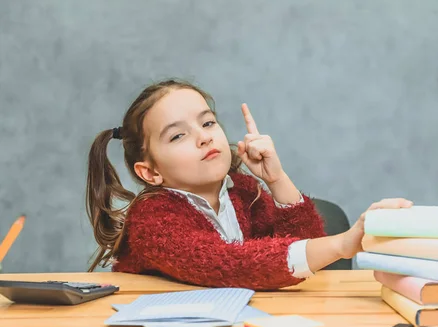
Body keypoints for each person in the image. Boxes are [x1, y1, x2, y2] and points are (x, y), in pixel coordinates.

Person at [85, 79, 412, 290]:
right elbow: (228, 266)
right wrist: (344, 243)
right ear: (150, 173)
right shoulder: (152, 218)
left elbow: (304, 248)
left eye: (208, 122)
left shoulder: (242, 190)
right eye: (178, 135)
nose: (203, 137)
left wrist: (276, 179)